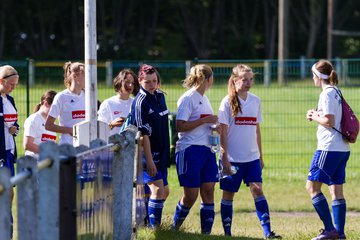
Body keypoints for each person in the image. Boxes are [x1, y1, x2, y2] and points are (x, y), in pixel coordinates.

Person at [218, 64, 281, 239]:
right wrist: (224, 158)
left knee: (257, 190)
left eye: (251, 79)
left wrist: (260, 155)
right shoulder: (226, 102)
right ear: (235, 80)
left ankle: (268, 233)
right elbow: (222, 132)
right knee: (229, 194)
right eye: (245, 79)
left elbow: (257, 130)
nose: (248, 83)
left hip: (252, 158)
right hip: (232, 159)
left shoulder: (256, 100)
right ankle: (227, 233)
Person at [306, 60, 350, 240]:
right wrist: (318, 114)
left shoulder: (326, 93)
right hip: (342, 148)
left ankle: (330, 230)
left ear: (317, 76)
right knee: (336, 190)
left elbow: (329, 121)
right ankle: (339, 233)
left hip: (329, 148)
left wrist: (314, 115)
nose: (312, 78)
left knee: (312, 187)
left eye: (312, 75)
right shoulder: (336, 91)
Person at [172, 64, 218, 234]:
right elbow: (180, 125)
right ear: (209, 79)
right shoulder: (188, 98)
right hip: (190, 150)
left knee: (208, 190)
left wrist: (214, 127)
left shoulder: (204, 98)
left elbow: (205, 122)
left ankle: (206, 234)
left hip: (207, 149)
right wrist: (205, 121)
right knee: (191, 195)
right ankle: (174, 228)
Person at [130, 64, 170, 228]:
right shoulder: (140, 102)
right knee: (158, 191)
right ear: (140, 81)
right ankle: (155, 229)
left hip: (162, 152)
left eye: (154, 81)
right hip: (147, 154)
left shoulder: (159, 96)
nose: (152, 85)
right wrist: (150, 160)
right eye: (148, 82)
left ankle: (144, 222)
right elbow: (142, 135)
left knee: (164, 192)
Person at [0, 65, 20, 239]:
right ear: (2, 81)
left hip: (9, 151)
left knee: (10, 191)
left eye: (15, 84)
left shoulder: (11, 100)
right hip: (0, 152)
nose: (13, 88)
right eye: (11, 84)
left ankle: (7, 224)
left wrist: (15, 129)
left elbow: (16, 124)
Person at [45, 61, 85, 145]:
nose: (89, 77)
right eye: (85, 74)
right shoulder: (61, 97)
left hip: (86, 147)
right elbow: (48, 125)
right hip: (67, 148)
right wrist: (71, 130)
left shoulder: (88, 96)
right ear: (74, 76)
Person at [98, 69, 139, 136]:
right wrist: (112, 124)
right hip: (112, 145)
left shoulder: (136, 103)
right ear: (119, 82)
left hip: (132, 145)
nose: (131, 85)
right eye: (127, 82)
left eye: (133, 83)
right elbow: (99, 129)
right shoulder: (107, 104)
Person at [23, 90, 57, 158]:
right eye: (55, 108)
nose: (57, 111)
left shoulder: (52, 121)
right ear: (46, 103)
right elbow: (27, 145)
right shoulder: (33, 119)